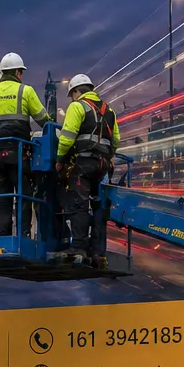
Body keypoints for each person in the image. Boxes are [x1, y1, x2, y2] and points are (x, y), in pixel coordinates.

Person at [0, 52, 50, 237]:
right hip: (19, 155)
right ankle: (23, 235)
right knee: (23, 197)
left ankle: (2, 236)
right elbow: (44, 120)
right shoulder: (25, 91)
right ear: (18, 73)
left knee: (2, 199)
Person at [56, 74, 119, 260]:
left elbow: (67, 137)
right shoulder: (109, 110)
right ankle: (98, 251)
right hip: (103, 166)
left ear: (76, 91)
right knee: (99, 207)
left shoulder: (77, 107)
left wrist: (60, 159)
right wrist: (109, 156)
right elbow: (116, 139)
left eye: (71, 94)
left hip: (84, 165)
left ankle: (79, 248)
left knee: (79, 205)